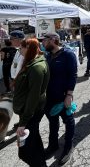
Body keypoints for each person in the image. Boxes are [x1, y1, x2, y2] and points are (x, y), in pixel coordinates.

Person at [41, 32, 78, 165]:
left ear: (53, 40)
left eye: (45, 41)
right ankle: (53, 145)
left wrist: (69, 95)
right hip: (49, 97)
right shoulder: (47, 55)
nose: (43, 43)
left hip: (63, 96)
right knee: (52, 121)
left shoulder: (68, 55)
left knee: (68, 120)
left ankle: (68, 147)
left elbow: (73, 75)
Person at [13, 38, 50, 167]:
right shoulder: (32, 61)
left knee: (25, 153)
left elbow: (33, 97)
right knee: (34, 142)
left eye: (20, 48)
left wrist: (23, 123)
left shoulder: (36, 67)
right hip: (29, 112)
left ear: (27, 48)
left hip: (30, 114)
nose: (19, 51)